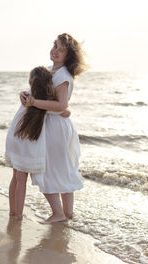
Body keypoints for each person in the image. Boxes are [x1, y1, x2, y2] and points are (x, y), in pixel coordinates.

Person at [21, 33, 87, 223]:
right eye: (54, 46)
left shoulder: (63, 75)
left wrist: (33, 102)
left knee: (46, 169)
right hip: (55, 125)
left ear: (69, 55)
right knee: (62, 169)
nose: (55, 51)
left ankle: (59, 214)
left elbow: (61, 105)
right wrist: (25, 94)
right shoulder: (52, 70)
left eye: (61, 49)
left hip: (55, 127)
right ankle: (66, 214)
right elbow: (48, 97)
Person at [5, 66, 69, 221]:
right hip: (28, 143)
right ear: (49, 84)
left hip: (15, 138)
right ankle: (19, 216)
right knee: (22, 180)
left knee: (16, 177)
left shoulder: (27, 96)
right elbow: (65, 112)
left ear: (30, 82)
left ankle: (13, 212)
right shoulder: (44, 102)